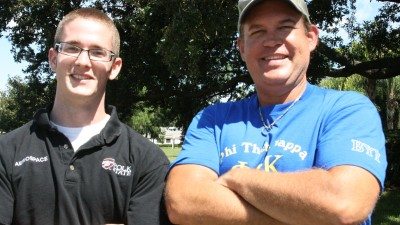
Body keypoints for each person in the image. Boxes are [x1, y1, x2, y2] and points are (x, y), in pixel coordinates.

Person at [165, 0, 387, 225]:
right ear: (242, 47)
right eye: (258, 31)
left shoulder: (349, 110)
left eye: (285, 28)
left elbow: (344, 203)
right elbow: (182, 203)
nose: (271, 41)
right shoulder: (212, 120)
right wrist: (305, 215)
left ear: (310, 37)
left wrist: (238, 178)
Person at [0, 8, 170, 225]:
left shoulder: (147, 160)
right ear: (53, 58)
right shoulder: (6, 152)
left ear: (114, 67)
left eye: (98, 52)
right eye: (72, 48)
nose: (83, 61)